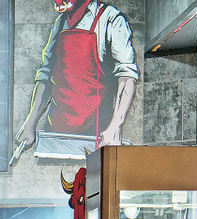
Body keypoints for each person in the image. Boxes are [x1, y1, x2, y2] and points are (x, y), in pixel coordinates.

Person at [12, 0, 139, 162]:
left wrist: (115, 127)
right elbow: (46, 75)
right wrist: (30, 124)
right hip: (56, 135)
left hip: (97, 135)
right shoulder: (60, 23)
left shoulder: (111, 18)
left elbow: (126, 77)